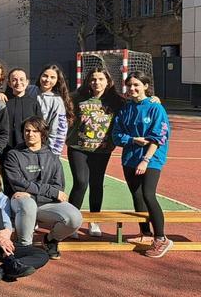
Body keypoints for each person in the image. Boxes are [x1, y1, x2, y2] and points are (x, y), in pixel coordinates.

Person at [4, 117, 83, 260]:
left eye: (35, 131)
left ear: (42, 134)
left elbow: (59, 186)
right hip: (21, 203)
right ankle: (24, 247)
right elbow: (19, 184)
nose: (30, 134)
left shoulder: (52, 156)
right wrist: (51, 192)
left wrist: (35, 193)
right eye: (27, 130)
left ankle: (51, 239)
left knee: (75, 217)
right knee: (28, 204)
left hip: (44, 203)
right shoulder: (13, 155)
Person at [112, 71, 172, 258]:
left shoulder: (156, 108)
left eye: (137, 85)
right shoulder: (125, 108)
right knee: (136, 195)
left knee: (148, 194)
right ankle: (145, 233)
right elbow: (117, 134)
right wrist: (131, 140)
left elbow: (158, 137)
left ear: (146, 86)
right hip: (130, 158)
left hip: (151, 158)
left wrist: (146, 160)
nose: (132, 89)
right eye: (129, 85)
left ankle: (161, 238)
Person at [67, 66, 124, 237]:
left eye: (100, 79)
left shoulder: (116, 101)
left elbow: (138, 100)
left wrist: (154, 99)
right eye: (93, 79)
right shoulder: (77, 97)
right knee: (81, 182)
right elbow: (60, 100)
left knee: (97, 184)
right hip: (78, 147)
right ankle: (71, 222)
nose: (96, 82)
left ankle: (94, 220)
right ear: (88, 81)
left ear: (108, 82)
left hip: (102, 149)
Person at [36, 64, 73, 156]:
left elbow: (58, 129)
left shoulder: (57, 101)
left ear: (57, 81)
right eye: (45, 76)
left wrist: (54, 152)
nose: (47, 80)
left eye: (52, 77)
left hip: (43, 147)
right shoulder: (29, 91)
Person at [4, 68, 43, 150]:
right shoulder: (4, 103)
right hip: (7, 149)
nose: (18, 83)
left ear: (27, 82)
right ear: (9, 83)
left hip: (28, 149)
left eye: (22, 79)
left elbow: (40, 127)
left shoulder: (33, 103)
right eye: (14, 80)